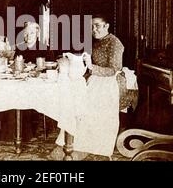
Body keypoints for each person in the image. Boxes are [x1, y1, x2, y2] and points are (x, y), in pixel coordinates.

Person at [54, 14, 126, 159]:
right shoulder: (96, 42)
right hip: (95, 80)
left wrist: (91, 66)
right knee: (78, 107)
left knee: (89, 112)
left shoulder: (114, 43)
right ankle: (76, 146)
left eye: (97, 25)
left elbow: (113, 69)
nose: (94, 29)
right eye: (92, 26)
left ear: (107, 26)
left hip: (109, 84)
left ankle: (94, 149)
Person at [0, 22, 55, 143]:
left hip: (38, 86)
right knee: (9, 95)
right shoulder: (20, 47)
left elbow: (51, 68)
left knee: (24, 97)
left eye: (32, 33)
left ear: (38, 33)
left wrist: (36, 70)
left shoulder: (45, 48)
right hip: (22, 82)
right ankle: (10, 133)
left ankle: (26, 133)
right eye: (26, 33)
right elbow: (16, 65)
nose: (29, 36)